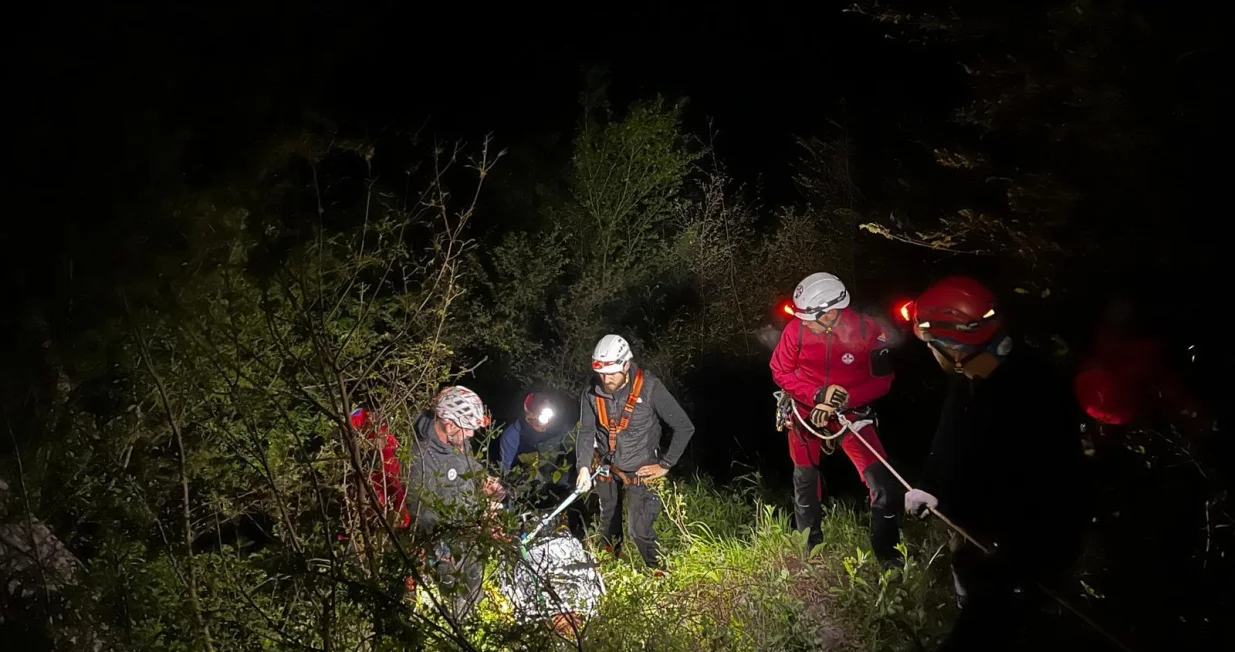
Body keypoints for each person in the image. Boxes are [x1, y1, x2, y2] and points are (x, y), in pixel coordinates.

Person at [904, 276, 1086, 651]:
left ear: (951, 348)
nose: (930, 354)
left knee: (991, 625)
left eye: (931, 346)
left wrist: (1005, 551)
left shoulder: (1027, 393)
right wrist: (931, 485)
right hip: (990, 536)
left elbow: (1047, 480)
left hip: (1017, 546)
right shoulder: (983, 365)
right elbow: (952, 427)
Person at [769, 272, 903, 565]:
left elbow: (884, 381)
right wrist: (818, 395)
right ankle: (809, 550)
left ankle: (889, 557)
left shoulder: (869, 331)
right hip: (805, 415)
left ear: (831, 312)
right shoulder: (796, 331)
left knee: (882, 484)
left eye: (810, 318)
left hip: (851, 418)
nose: (802, 322)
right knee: (804, 481)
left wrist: (843, 401)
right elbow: (780, 372)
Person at [574, 334, 695, 571]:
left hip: (643, 469)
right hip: (608, 468)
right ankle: (611, 566)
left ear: (626, 365)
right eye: (602, 373)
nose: (606, 379)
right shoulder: (591, 393)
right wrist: (583, 468)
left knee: (639, 530)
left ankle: (659, 571)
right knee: (609, 522)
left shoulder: (650, 388)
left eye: (612, 373)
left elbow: (684, 426)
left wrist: (666, 464)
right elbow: (586, 431)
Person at [405, 385, 505, 618]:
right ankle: (458, 626)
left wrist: (483, 480)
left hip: (469, 527)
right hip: (442, 535)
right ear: (449, 424)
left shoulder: (456, 441)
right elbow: (423, 512)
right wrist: (456, 534)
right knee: (453, 585)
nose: (471, 434)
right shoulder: (420, 458)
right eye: (468, 428)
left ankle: (476, 615)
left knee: (474, 575)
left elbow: (468, 466)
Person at [498, 391, 583, 536]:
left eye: (547, 418)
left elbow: (574, 441)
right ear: (528, 416)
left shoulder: (558, 430)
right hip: (526, 487)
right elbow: (506, 474)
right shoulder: (512, 436)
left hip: (553, 484)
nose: (544, 423)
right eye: (538, 418)